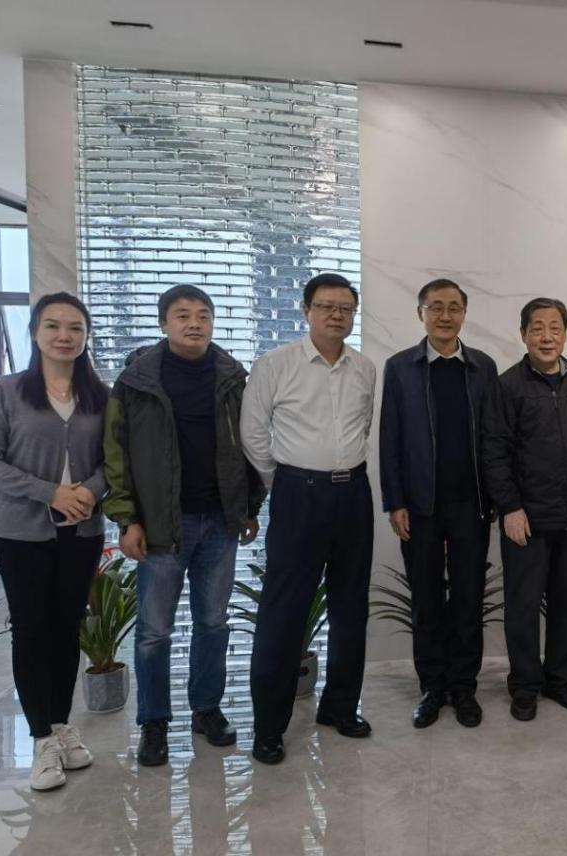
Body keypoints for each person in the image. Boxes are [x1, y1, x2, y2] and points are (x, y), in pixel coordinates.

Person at [103, 284, 264, 767]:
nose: (194, 323)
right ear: (164, 323)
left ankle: (206, 708)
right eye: (182, 315)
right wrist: (127, 519)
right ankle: (154, 722)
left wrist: (249, 506)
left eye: (203, 315)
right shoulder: (136, 381)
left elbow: (252, 444)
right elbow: (116, 455)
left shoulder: (233, 378)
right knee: (154, 631)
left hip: (219, 521)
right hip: (159, 525)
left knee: (213, 623)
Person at [241, 273, 377, 764]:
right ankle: (269, 726)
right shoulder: (275, 364)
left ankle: (339, 706)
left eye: (345, 308)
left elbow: (364, 426)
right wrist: (286, 479)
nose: (336, 315)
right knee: (284, 611)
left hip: (353, 494)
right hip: (298, 494)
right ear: (306, 310)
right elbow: (253, 433)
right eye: (326, 306)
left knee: (350, 606)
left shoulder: (365, 368)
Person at [0, 293, 108, 791]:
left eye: (75, 327)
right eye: (53, 326)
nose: (64, 335)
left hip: (81, 532)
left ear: (86, 337)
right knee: (30, 630)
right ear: (36, 333)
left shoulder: (100, 397)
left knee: (67, 628)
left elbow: (114, 460)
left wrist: (89, 491)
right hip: (22, 532)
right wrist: (51, 493)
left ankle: (62, 725)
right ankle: (41, 737)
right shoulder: (7, 392)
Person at [379, 278, 498, 729]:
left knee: (468, 598)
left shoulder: (483, 367)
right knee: (426, 600)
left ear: (464, 314)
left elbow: (494, 438)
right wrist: (395, 501)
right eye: (436, 307)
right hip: (420, 506)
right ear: (421, 314)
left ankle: (464, 687)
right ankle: (432, 687)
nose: (445, 316)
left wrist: (496, 496)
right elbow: (389, 437)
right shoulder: (400, 367)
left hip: (471, 503)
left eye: (453, 308)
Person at [481, 297, 567, 722]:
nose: (546, 337)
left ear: (565, 334)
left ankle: (560, 681)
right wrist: (510, 507)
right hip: (525, 520)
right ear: (523, 334)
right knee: (523, 607)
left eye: (554, 328)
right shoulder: (508, 385)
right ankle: (525, 685)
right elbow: (494, 452)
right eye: (537, 328)